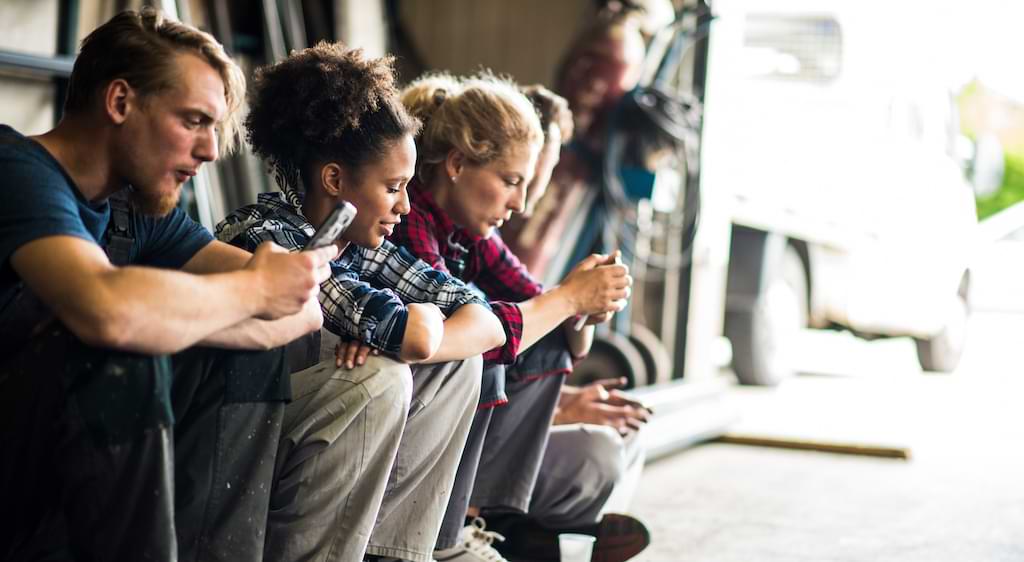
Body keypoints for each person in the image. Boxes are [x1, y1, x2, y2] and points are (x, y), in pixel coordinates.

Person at [0, 8, 340, 562]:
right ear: (119, 102)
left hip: (47, 477)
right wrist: (251, 294)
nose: (209, 150)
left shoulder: (135, 211)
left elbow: (301, 311)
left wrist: (219, 314)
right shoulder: (14, 170)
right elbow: (105, 311)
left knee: (222, 346)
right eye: (193, 121)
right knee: (124, 345)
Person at [215, 42, 504, 562]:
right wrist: (411, 331)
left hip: (313, 431)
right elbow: (407, 333)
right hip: (243, 441)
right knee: (382, 378)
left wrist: (403, 337)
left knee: (459, 365)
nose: (406, 205)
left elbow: (488, 320)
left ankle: (389, 553)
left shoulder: (366, 247)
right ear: (334, 180)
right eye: (393, 187)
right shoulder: (266, 235)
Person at [393, 72, 640, 562]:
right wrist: (568, 299)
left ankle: (493, 518)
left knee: (547, 341)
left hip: (447, 423)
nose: (521, 204)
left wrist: (587, 304)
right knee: (487, 354)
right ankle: (457, 528)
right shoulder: (409, 220)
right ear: (458, 163)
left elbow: (553, 325)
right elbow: (478, 332)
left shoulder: (473, 235)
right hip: (408, 420)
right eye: (511, 181)